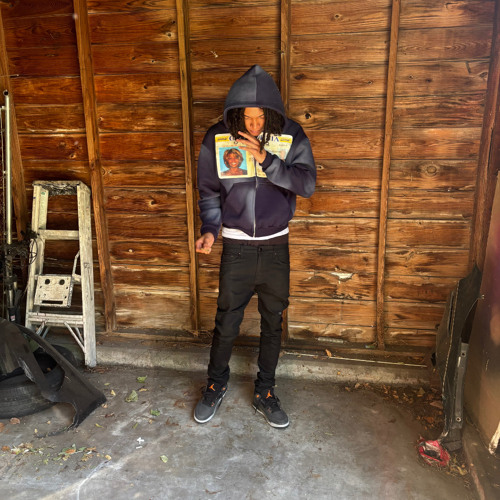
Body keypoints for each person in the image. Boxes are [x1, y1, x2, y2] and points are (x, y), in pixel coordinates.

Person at [194, 65, 316, 428]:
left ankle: (265, 391)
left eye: (261, 117)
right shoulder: (217, 137)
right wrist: (210, 230)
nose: (253, 125)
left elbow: (306, 185)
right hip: (236, 248)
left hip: (276, 246)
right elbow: (209, 192)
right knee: (226, 322)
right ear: (234, 113)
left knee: (273, 323)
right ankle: (215, 384)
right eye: (246, 117)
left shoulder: (291, 135)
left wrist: (266, 159)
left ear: (272, 112)